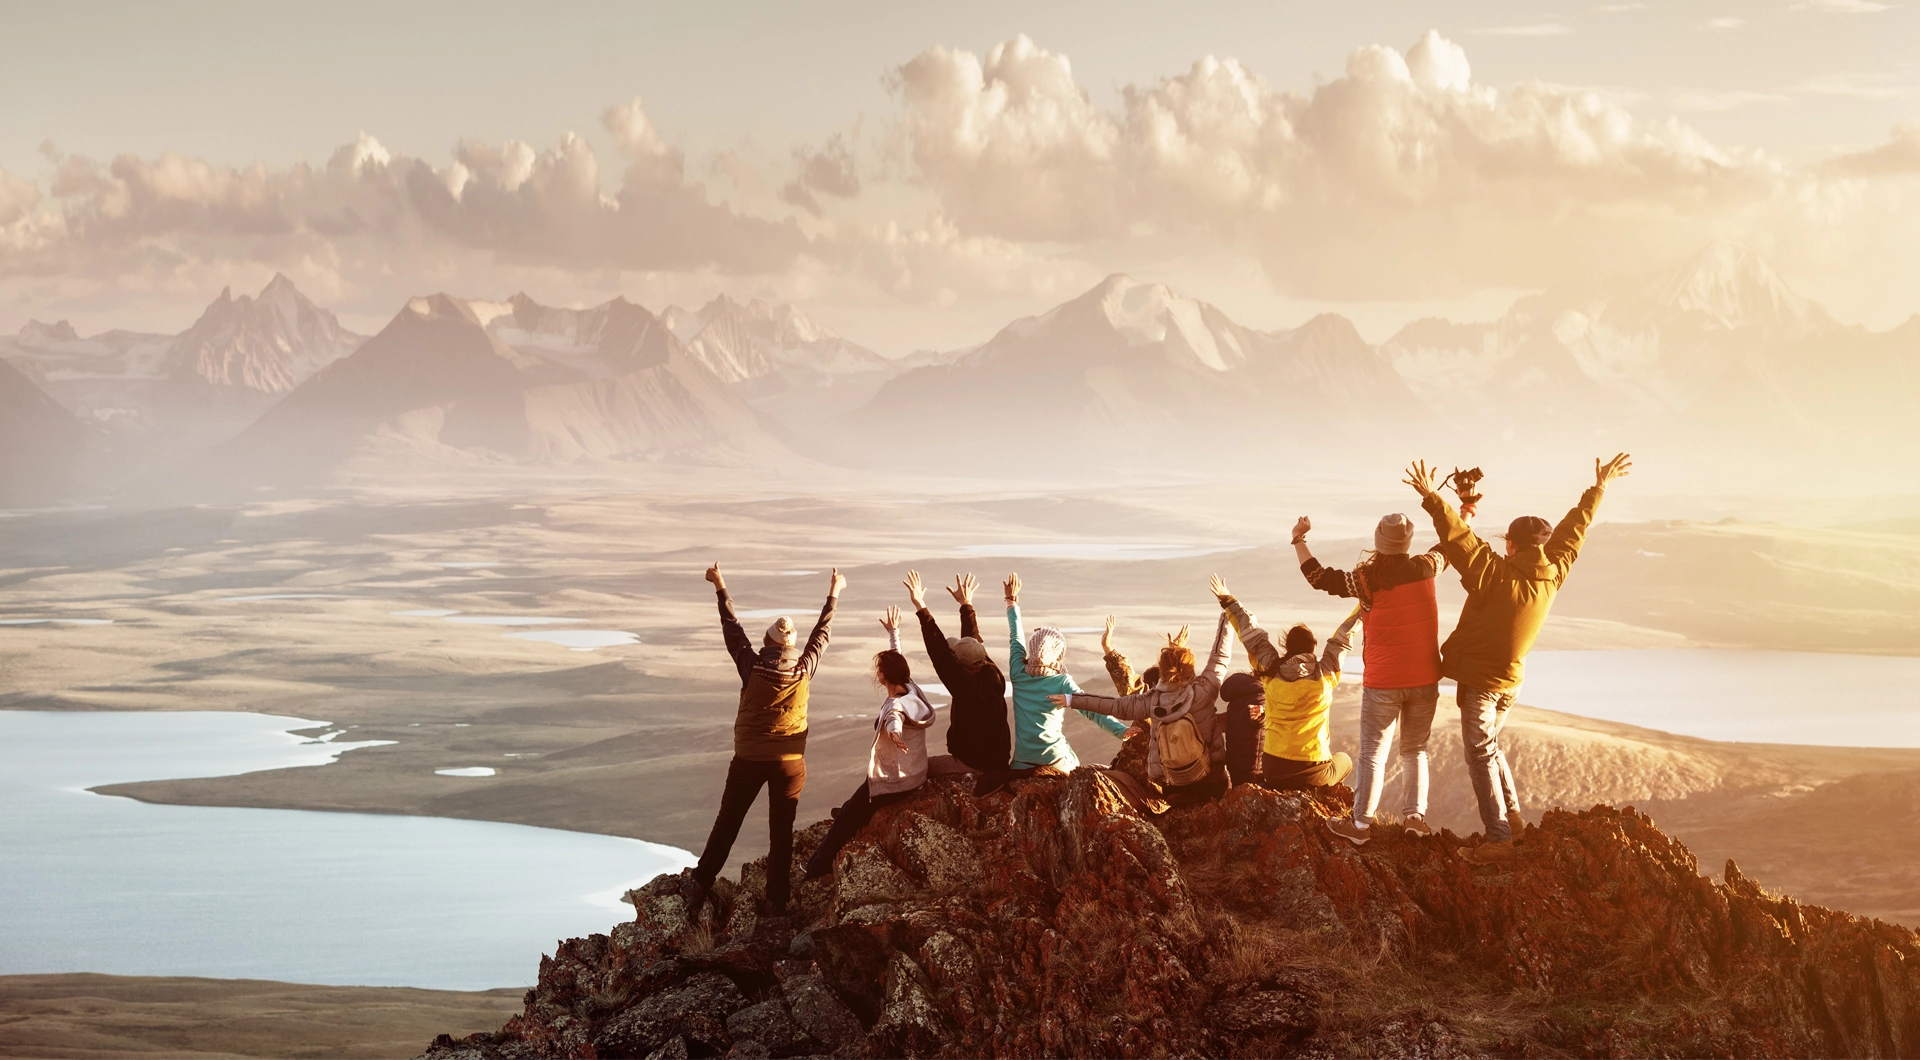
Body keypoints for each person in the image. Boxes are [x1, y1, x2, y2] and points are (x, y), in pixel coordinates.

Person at [1406, 453, 1632, 865]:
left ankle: (1499, 840)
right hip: (1512, 683)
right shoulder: (1555, 570)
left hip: (1483, 684)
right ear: (1541, 546)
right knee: (1490, 749)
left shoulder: (1495, 574)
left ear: (1510, 543)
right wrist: (1598, 489)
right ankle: (1514, 821)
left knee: (1479, 756)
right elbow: (1575, 530)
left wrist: (1430, 496)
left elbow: (1459, 541)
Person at [683, 563, 841, 915]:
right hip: (790, 764)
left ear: (768, 643)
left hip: (749, 760)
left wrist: (720, 585)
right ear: (790, 645)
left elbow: (732, 628)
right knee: (781, 832)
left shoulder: (751, 666)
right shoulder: (804, 669)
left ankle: (699, 884)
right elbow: (822, 634)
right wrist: (834, 593)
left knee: (728, 823)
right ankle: (776, 901)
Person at [1293, 513, 1446, 846]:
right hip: (1425, 677)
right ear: (1406, 542)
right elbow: (1450, 545)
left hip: (1384, 680)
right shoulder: (1427, 566)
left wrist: (1299, 539)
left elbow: (1318, 577)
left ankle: (1361, 825)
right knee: (1415, 750)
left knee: (1373, 754)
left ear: (1379, 541)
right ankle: (1414, 818)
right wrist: (1465, 509)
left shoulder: (1365, 580)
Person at [801, 607, 936, 882]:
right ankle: (854, 809)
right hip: (914, 772)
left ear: (883, 676)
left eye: (879, 670)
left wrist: (895, 735)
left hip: (896, 781)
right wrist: (893, 633)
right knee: (854, 802)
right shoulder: (912, 690)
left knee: (844, 821)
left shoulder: (896, 705)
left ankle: (816, 869)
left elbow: (893, 720)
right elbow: (899, 665)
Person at [1050, 611, 1235, 805]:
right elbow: (1220, 656)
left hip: (1174, 785)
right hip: (1212, 782)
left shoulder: (1151, 701)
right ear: (1190, 669)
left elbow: (1111, 705)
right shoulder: (1204, 692)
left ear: (1162, 672)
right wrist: (1228, 610)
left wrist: (1071, 700)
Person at [1213, 574, 1361, 790]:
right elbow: (1344, 635)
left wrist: (1228, 600)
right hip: (1313, 770)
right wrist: (1366, 603)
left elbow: (1252, 635)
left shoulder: (1271, 671)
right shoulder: (1325, 673)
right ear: (1314, 646)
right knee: (1345, 761)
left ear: (1287, 647)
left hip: (1273, 768)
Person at [1001, 572, 1129, 781]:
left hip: (1021, 764)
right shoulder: (1061, 682)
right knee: (1085, 770)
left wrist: (1011, 600)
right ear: (1058, 655)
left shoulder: (1018, 672)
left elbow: (1015, 636)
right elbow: (1092, 710)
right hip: (1055, 761)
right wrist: (1121, 732)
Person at [902, 571, 1012, 778]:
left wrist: (920, 606)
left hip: (972, 763)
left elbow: (939, 652)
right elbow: (972, 643)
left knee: (913, 770)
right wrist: (966, 604)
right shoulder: (990, 671)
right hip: (998, 759)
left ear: (960, 664)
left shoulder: (965, 688)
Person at [1219, 670, 1265, 788]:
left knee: (1238, 793)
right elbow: (1260, 720)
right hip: (1255, 766)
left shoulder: (1237, 697)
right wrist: (1260, 717)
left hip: (1234, 765)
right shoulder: (1262, 697)